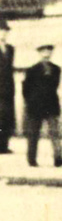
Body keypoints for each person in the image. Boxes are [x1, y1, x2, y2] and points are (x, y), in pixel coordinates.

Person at [22, 44, 62, 167]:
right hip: (35, 106)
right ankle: (31, 159)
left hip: (51, 105)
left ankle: (58, 158)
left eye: (49, 51)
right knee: (33, 134)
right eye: (43, 51)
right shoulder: (32, 70)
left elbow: (54, 86)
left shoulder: (56, 69)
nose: (46, 53)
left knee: (54, 132)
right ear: (39, 53)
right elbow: (25, 89)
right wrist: (30, 102)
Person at [0, 19, 13, 154]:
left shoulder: (10, 49)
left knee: (7, 118)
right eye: (1, 31)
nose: (3, 34)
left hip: (8, 89)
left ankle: (4, 145)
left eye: (5, 31)